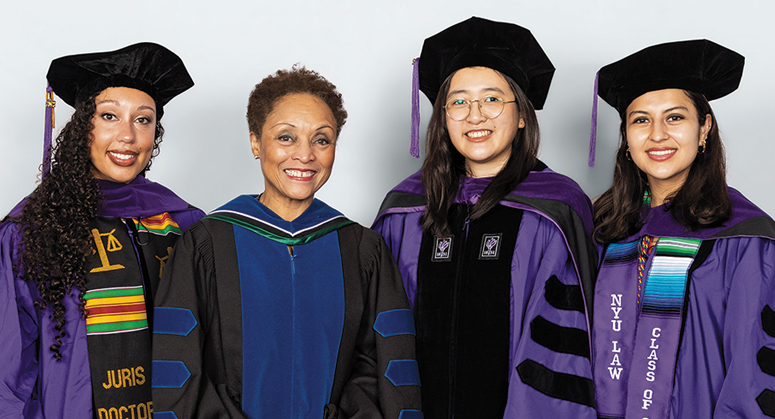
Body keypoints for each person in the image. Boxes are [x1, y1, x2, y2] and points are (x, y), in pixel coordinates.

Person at [151, 66, 422, 419]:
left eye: (321, 139)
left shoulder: (361, 250)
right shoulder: (206, 245)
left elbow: (383, 365)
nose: (305, 155)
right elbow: (178, 371)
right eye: (286, 137)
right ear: (255, 142)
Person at [372, 17, 597, 418]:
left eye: (492, 99)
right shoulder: (404, 211)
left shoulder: (554, 212)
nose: (475, 115)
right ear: (443, 117)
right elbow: (381, 334)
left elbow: (562, 355)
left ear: (523, 115)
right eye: (458, 101)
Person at [0, 43, 202, 418]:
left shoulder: (182, 223)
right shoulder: (32, 229)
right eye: (109, 116)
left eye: (143, 120)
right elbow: (8, 366)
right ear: (82, 128)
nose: (128, 135)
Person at [592, 39, 775, 418]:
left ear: (704, 128)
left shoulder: (745, 238)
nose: (657, 134)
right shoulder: (603, 228)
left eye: (675, 117)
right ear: (626, 138)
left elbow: (751, 375)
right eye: (640, 119)